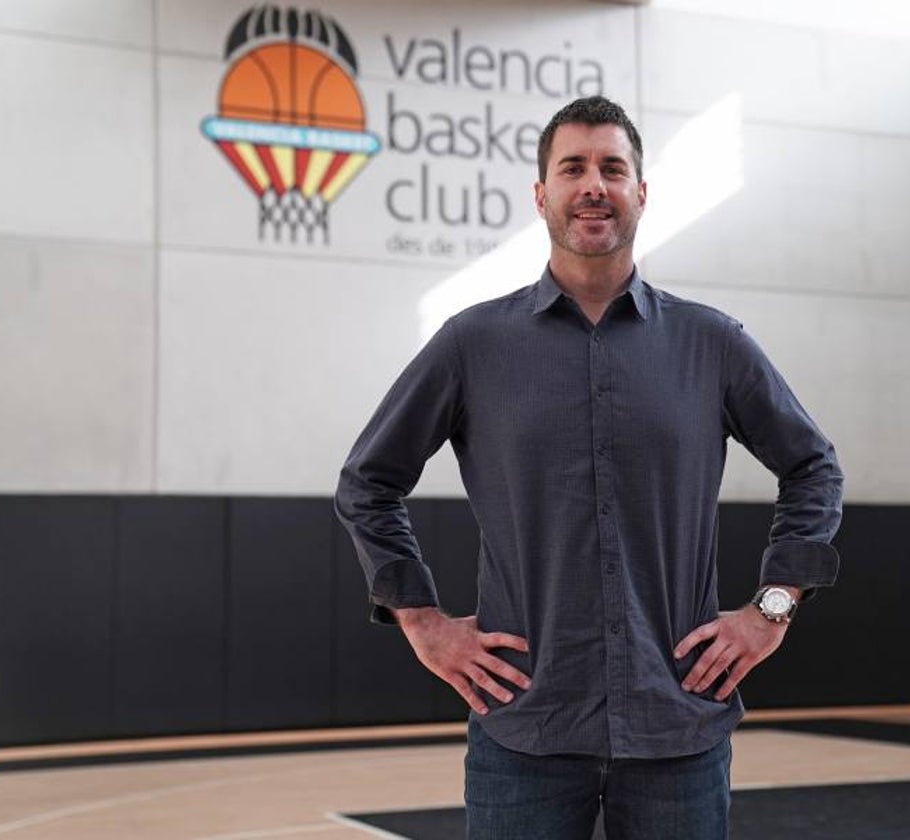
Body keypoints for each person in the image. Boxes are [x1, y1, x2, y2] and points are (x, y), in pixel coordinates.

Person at [335, 95, 843, 840]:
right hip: (525, 733)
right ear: (542, 195)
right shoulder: (472, 345)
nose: (593, 185)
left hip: (679, 732)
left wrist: (772, 610)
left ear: (642, 191)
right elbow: (368, 483)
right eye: (572, 167)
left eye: (613, 167)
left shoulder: (713, 345)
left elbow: (813, 467)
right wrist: (424, 622)